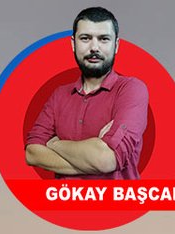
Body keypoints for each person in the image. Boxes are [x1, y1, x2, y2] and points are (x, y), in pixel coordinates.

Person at [24, 7, 148, 179]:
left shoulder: (131, 89)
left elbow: (106, 160)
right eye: (85, 38)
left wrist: (55, 144)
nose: (94, 47)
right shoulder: (59, 95)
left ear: (116, 45)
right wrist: (93, 158)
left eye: (104, 39)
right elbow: (31, 153)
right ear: (73, 44)